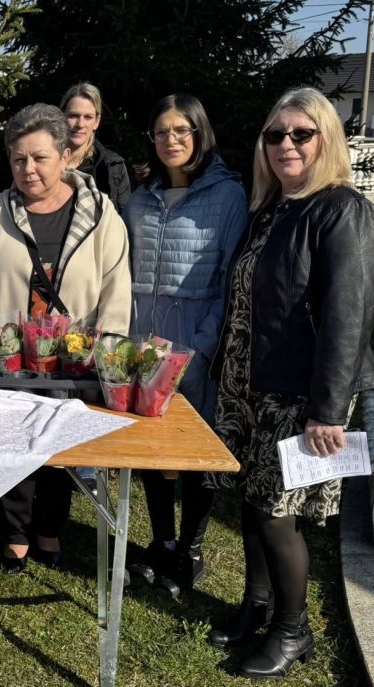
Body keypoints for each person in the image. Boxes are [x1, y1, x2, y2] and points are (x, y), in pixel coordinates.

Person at [206, 87, 374, 679]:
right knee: (254, 502)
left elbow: (348, 315)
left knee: (279, 511)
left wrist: (328, 409)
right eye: (275, 135)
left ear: (326, 139)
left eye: (300, 134)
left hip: (303, 390)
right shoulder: (274, 208)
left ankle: (293, 629)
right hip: (250, 378)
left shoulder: (341, 210)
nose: (285, 144)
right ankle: (256, 607)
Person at [0, 103, 130, 573]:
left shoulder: (100, 213)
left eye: (39, 158)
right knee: (13, 443)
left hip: (74, 357)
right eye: (18, 160)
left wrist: (108, 348)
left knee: (60, 446)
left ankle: (50, 526)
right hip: (9, 357)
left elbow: (116, 284)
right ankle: (14, 530)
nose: (27, 169)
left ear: (66, 156)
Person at [123, 95, 249, 597]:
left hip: (196, 339)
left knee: (194, 448)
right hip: (144, 340)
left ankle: (191, 548)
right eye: (161, 131)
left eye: (182, 130)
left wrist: (200, 346)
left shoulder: (227, 196)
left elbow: (229, 279)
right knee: (154, 446)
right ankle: (162, 541)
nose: (171, 140)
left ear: (200, 133)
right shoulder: (140, 198)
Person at [62, 82, 132, 213]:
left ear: (97, 122)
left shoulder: (112, 166)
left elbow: (123, 221)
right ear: (62, 116)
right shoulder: (44, 161)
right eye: (73, 116)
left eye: (88, 117)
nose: (80, 124)